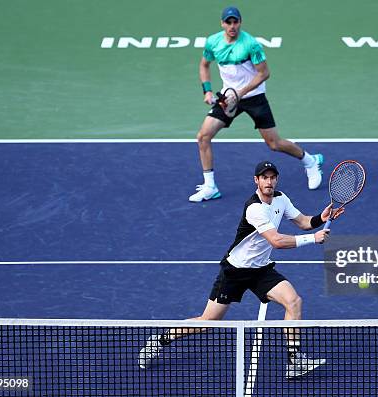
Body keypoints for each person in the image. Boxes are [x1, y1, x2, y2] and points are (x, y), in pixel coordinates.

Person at [140, 160, 345, 378]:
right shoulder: (254, 208)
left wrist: (320, 219)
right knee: (207, 322)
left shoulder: (281, 198)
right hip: (235, 272)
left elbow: (303, 222)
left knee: (293, 300)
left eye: (272, 177)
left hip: (260, 270)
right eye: (264, 177)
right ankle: (160, 340)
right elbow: (276, 241)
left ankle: (294, 360)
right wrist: (313, 239)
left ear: (276, 179)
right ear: (256, 181)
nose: (269, 181)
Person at [188, 6, 324, 203]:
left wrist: (241, 93)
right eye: (228, 22)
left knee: (274, 143)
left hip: (254, 97)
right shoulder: (213, 42)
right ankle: (210, 186)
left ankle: (310, 161)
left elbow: (264, 73)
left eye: (235, 22)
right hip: (228, 98)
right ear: (222, 23)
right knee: (203, 136)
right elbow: (204, 64)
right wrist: (207, 90)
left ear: (240, 23)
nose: (232, 26)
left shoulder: (251, 44)